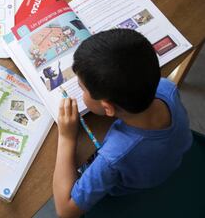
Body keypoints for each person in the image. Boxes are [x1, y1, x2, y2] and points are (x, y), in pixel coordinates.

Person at [52, 29, 192, 217]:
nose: (81, 92)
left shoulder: (113, 157)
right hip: (170, 158)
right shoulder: (166, 88)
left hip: (131, 188)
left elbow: (65, 211)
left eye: (82, 88)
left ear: (108, 108)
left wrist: (66, 137)